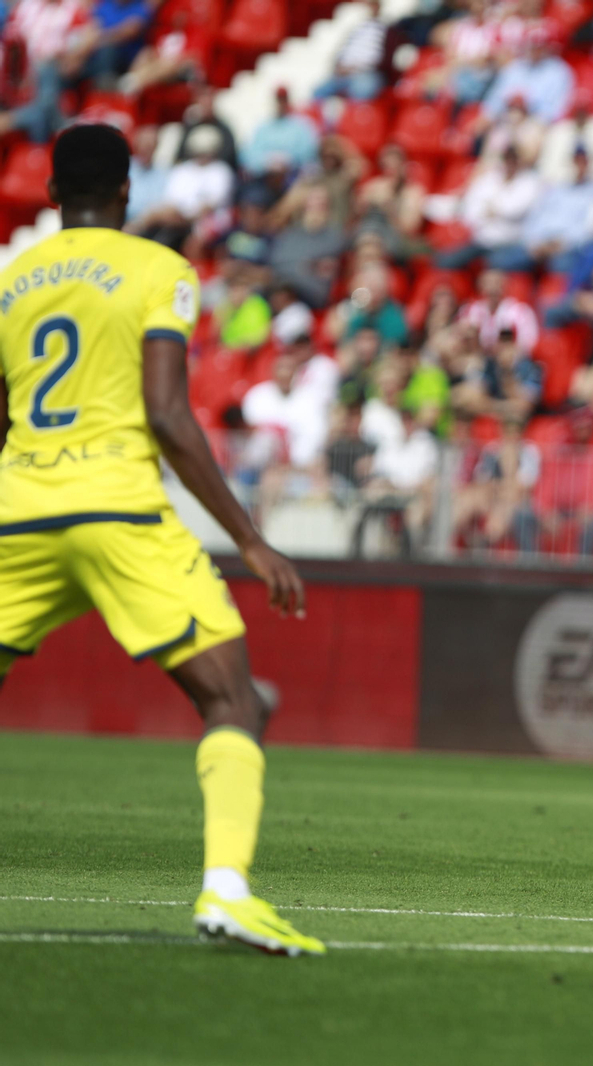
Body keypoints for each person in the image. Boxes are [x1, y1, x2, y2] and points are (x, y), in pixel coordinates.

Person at [0, 126, 321, 955]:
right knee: (233, 700)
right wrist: (248, 539)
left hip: (19, 507)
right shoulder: (157, 270)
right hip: (115, 508)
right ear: (127, 193)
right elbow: (168, 411)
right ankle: (225, 893)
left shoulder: (13, 280)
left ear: (49, 195)